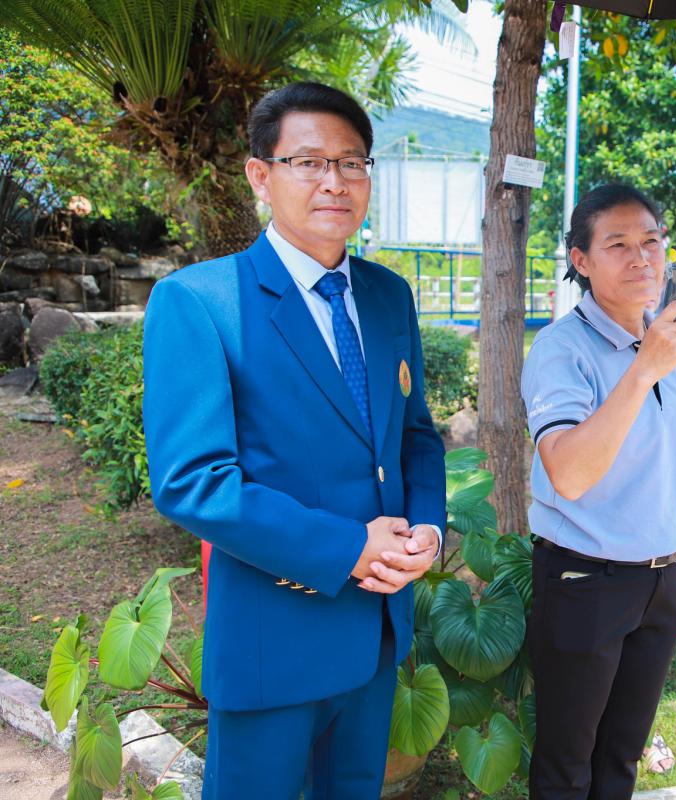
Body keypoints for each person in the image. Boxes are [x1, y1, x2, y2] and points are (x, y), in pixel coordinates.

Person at [142, 82, 447, 799]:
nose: (334, 182)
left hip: (375, 634)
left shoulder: (388, 296)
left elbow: (417, 438)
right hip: (273, 644)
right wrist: (349, 546)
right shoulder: (201, 300)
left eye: (352, 162)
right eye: (308, 162)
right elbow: (194, 484)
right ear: (261, 175)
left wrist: (429, 529)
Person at [521, 184, 676, 798]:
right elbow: (569, 473)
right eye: (618, 245)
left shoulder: (671, 342)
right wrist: (642, 368)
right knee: (567, 766)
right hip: (586, 579)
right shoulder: (561, 350)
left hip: (661, 580)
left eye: (651, 241)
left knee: (622, 757)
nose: (641, 258)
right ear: (580, 260)